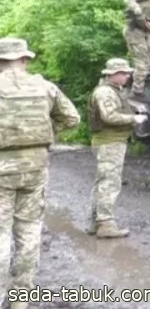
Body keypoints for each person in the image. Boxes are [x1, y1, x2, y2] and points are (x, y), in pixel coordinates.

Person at [0, 38, 80, 309]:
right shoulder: (45, 87)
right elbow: (72, 118)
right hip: (35, 167)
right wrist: (44, 134)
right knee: (29, 231)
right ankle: (20, 300)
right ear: (24, 59)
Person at [85, 58, 147, 238]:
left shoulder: (113, 90)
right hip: (109, 143)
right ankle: (105, 224)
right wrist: (133, 119)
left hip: (110, 141)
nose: (128, 76)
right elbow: (109, 116)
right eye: (124, 73)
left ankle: (95, 223)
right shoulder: (105, 92)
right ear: (113, 74)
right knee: (109, 183)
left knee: (102, 182)